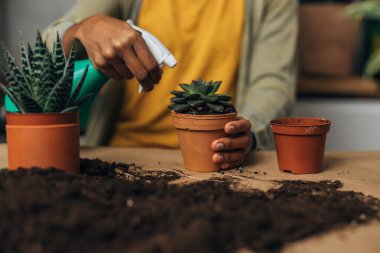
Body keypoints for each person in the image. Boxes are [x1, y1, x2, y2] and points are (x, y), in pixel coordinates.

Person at [44, 0, 298, 170]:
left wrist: (248, 132)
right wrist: (82, 29)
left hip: (214, 163)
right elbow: (47, 44)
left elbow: (273, 82)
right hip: (121, 155)